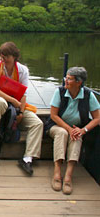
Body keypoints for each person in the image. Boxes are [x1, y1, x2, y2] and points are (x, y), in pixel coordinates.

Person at [0, 42, 43, 176]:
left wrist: (21, 113)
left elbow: (24, 94)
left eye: (6, 56)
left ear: (14, 56)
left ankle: (27, 158)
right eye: (1, 56)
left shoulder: (23, 70)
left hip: (18, 105)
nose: (3, 60)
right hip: (0, 102)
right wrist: (13, 100)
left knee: (38, 123)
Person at [46, 67, 100, 195]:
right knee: (63, 133)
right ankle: (57, 172)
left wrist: (83, 130)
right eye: (66, 78)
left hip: (77, 128)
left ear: (79, 82)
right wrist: (69, 129)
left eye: (69, 79)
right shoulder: (59, 92)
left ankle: (68, 175)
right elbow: (53, 116)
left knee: (76, 136)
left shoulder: (88, 95)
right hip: (56, 126)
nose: (66, 81)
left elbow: (97, 118)